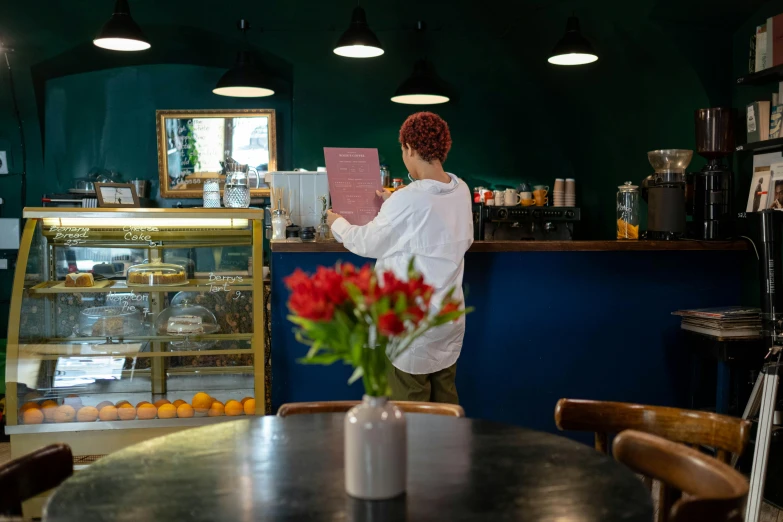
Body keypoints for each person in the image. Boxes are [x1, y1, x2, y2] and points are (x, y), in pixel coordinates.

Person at [326, 112, 473, 404]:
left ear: (408, 147)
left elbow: (366, 242)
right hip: (448, 319)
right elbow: (431, 222)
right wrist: (394, 201)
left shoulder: (411, 198)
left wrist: (336, 223)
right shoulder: (461, 190)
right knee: (445, 407)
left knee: (411, 412)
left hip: (413, 324)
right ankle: (451, 451)